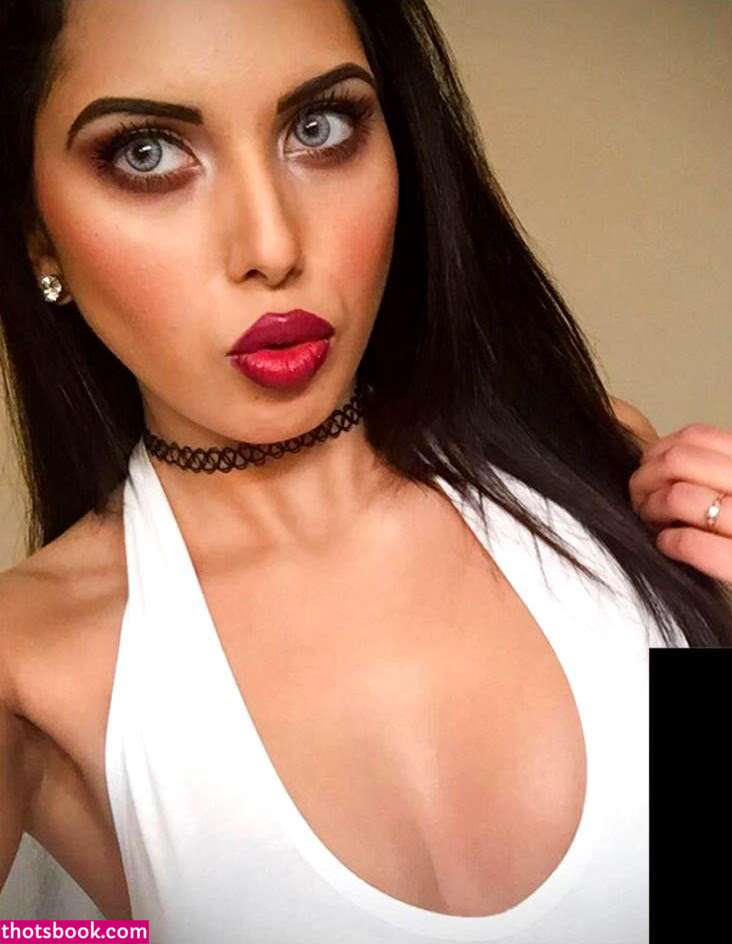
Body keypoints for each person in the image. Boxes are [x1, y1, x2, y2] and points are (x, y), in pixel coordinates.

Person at [0, 1, 730, 941]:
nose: (272, 247)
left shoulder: (592, 469)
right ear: (38, 232)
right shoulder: (27, 665)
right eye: (147, 154)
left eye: (319, 128)